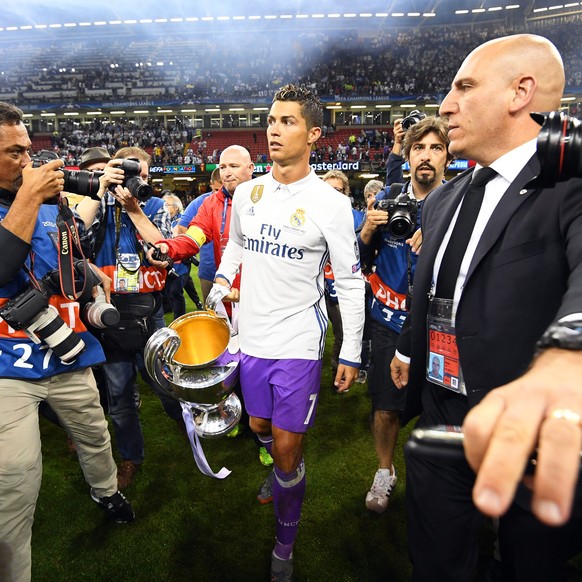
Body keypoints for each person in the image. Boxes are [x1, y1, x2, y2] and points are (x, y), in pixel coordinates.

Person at [390, 34, 582, 581]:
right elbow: (432, 290)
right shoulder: (446, 196)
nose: (446, 104)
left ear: (521, 92)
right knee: (437, 558)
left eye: (465, 87)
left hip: (528, 423)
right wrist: (408, 346)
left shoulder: (568, 181)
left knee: (527, 562)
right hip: (440, 407)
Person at [204, 84, 365, 581]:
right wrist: (222, 281)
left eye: (288, 121)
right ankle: (281, 470)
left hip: (298, 343)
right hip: (249, 339)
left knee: (287, 446)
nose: (274, 129)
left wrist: (351, 352)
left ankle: (284, 546)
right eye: (272, 120)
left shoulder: (330, 204)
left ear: (314, 133)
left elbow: (352, 280)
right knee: (257, 429)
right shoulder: (248, 193)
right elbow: (236, 247)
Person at [0, 102, 133, 582]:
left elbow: (71, 256)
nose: (27, 162)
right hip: (7, 365)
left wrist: (94, 278)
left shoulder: (54, 204)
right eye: (14, 153)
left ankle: (105, 490)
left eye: (28, 150)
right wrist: (29, 199)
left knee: (96, 433)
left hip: (67, 351)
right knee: (15, 477)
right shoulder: (31, 199)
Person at [148, 145, 273, 467]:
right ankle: (234, 412)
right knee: (229, 361)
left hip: (263, 301)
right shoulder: (210, 203)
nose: (227, 172)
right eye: (223, 166)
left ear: (250, 169)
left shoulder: (268, 200)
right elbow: (193, 238)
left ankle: (265, 437)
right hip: (225, 298)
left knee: (260, 369)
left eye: (234, 166)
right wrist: (168, 247)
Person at [358, 116, 451, 514]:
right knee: (384, 406)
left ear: (448, 157)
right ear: (408, 155)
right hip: (389, 321)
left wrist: (441, 237)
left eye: (435, 148)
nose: (426, 156)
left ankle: (437, 480)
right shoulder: (390, 198)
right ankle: (384, 470)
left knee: (440, 411)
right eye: (418, 148)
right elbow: (360, 262)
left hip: (437, 326)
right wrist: (365, 233)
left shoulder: (461, 204)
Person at [75, 146, 183, 490]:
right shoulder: (96, 202)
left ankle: (189, 425)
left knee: (168, 384)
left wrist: (135, 208)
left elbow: (164, 249)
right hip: (109, 314)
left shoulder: (151, 204)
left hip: (149, 312)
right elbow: (75, 232)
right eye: (131, 175)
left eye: (145, 176)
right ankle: (131, 457)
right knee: (120, 396)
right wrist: (100, 186)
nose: (139, 182)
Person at [321, 170, 366, 392]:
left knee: (343, 333)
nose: (332, 196)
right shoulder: (313, 216)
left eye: (337, 191)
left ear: (346, 193)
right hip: (319, 288)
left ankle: (339, 376)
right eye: (327, 191)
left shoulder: (358, 218)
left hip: (344, 287)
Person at [177, 168, 222, 303]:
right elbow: (182, 227)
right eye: (216, 190)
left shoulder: (240, 200)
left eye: (223, 190)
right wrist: (204, 239)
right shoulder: (201, 202)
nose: (220, 194)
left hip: (240, 270)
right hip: (209, 269)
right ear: (211, 184)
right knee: (212, 315)